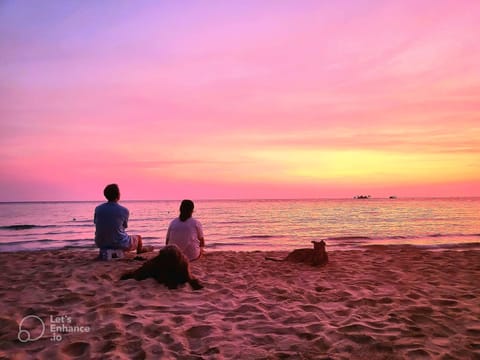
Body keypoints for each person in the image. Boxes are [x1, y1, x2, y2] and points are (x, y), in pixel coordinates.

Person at [94, 184, 153, 254]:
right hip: (118, 243)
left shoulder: (98, 209)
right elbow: (124, 226)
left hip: (101, 243)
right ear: (118, 195)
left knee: (118, 234)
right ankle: (140, 251)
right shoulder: (124, 210)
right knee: (138, 238)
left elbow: (96, 223)